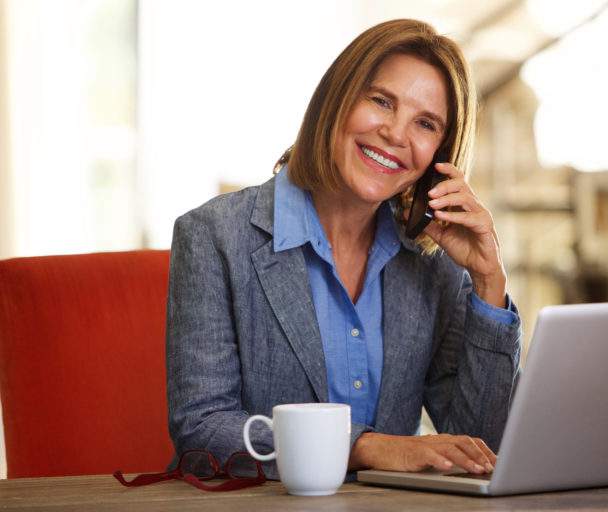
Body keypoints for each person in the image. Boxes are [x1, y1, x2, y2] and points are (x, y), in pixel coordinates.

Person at [166, 18, 522, 480]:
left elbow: (480, 446)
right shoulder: (214, 237)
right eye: (380, 101)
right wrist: (366, 448)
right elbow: (202, 430)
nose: (396, 133)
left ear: (440, 156)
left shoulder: (435, 267)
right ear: (337, 99)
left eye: (425, 123)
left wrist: (489, 282)